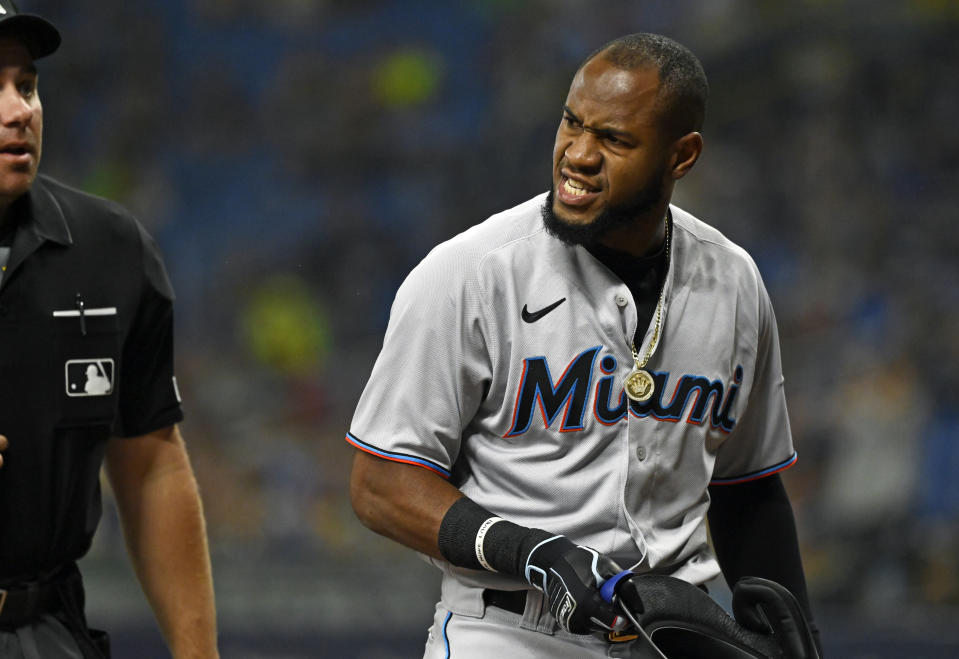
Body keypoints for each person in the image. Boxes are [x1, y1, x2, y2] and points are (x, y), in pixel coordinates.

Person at [347, 32, 821, 657]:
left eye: (615, 139)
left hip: (679, 635)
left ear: (682, 156)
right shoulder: (469, 273)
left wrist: (801, 642)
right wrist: (530, 549)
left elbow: (748, 486)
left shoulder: (733, 282)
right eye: (572, 124)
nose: (578, 154)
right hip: (510, 630)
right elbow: (380, 484)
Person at [0, 4, 219, 658]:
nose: (20, 111)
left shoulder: (110, 251)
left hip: (42, 633)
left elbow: (151, 458)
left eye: (28, 85)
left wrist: (197, 652)